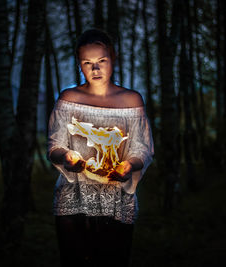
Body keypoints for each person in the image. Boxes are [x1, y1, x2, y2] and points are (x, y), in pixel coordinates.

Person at [47, 29, 154, 267]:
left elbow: (142, 148)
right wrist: (66, 156)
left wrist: (129, 165)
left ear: (113, 58)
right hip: (73, 199)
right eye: (88, 63)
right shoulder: (68, 99)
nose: (95, 69)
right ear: (79, 65)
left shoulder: (132, 101)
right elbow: (54, 144)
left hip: (117, 200)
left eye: (101, 61)